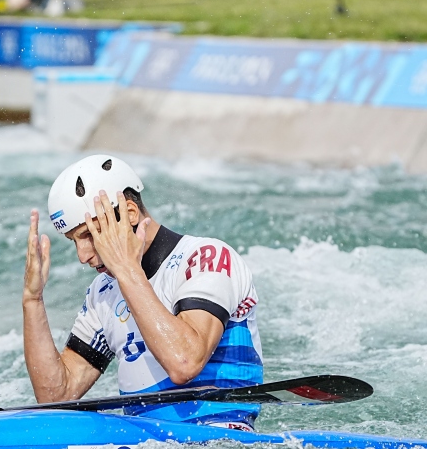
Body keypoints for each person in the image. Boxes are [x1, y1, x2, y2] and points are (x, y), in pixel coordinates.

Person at [22, 155, 264, 431]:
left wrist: (127, 270)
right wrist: (32, 301)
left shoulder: (205, 258)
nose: (82, 255)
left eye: (89, 235)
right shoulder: (103, 292)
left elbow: (185, 362)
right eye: (74, 241)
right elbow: (56, 397)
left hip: (220, 441)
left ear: (130, 214)